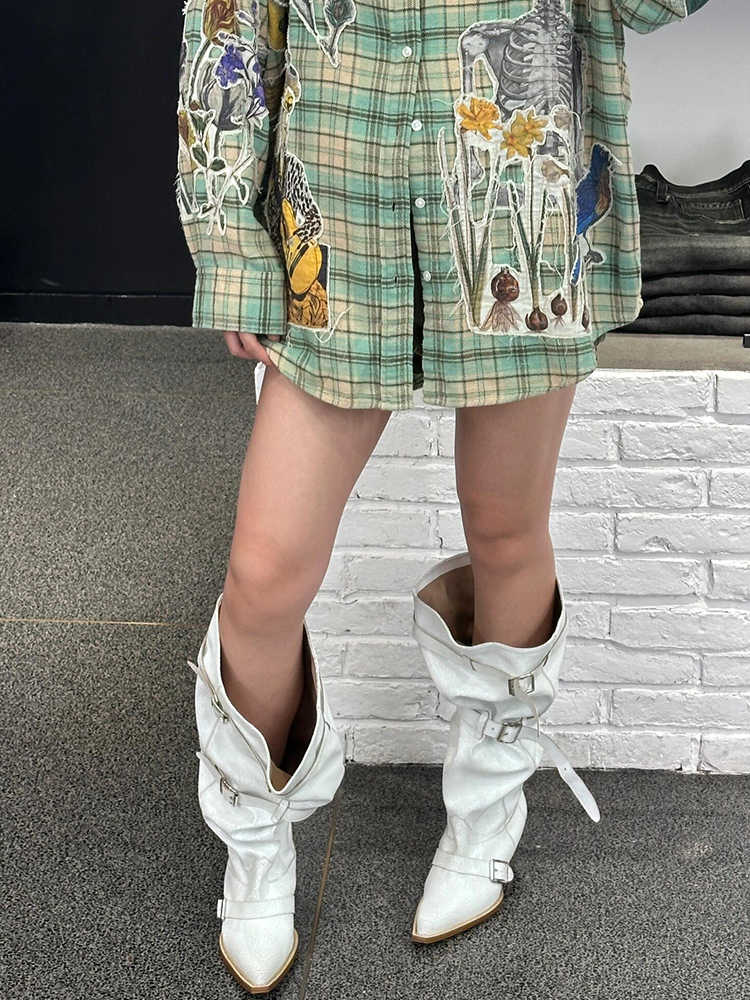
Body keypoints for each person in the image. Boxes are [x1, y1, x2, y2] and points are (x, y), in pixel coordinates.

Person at [177, 0, 709, 992]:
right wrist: (231, 248)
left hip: (513, 211)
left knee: (506, 531)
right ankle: (256, 834)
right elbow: (228, 31)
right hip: (336, 232)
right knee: (264, 574)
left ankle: (486, 809)